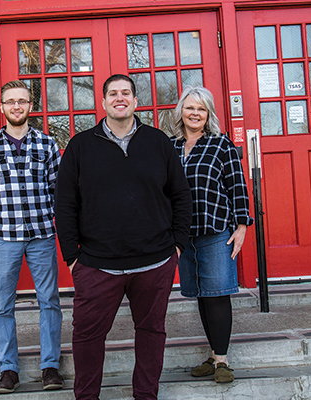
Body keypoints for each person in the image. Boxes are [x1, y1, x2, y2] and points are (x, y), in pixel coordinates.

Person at [54, 74, 192, 399]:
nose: (120, 98)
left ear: (135, 100)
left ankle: (146, 395)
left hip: (155, 261)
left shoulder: (158, 142)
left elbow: (181, 196)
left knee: (151, 331)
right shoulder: (80, 146)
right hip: (97, 264)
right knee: (87, 337)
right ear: (103, 102)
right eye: (113, 93)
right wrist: (72, 258)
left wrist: (177, 246)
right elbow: (64, 204)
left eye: (126, 93)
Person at [0, 80, 63, 394]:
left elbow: (58, 188)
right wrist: (3, 214)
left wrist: (46, 214)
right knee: (2, 305)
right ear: (2, 107)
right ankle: (8, 370)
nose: (16, 106)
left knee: (49, 301)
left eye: (22, 101)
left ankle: (50, 366)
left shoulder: (47, 145)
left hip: (41, 234)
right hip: (5, 237)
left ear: (30, 106)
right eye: (10, 101)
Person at [171, 86, 254, 383]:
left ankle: (223, 361)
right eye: (190, 107)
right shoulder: (170, 146)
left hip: (216, 229)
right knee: (202, 297)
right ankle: (213, 355)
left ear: (208, 115)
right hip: (183, 235)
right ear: (181, 111)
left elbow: (237, 186)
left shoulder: (221, 145)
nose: (195, 113)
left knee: (217, 295)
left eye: (201, 109)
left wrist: (242, 225)